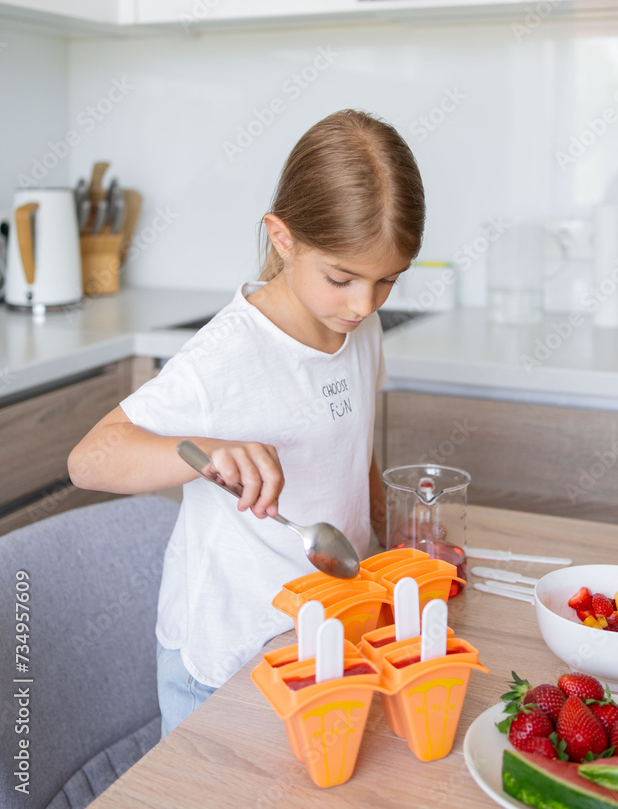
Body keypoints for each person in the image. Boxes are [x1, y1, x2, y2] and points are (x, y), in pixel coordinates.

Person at [68, 109, 425, 738]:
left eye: (386, 281)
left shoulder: (359, 328)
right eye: (341, 278)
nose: (365, 304)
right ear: (282, 239)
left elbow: (353, 445)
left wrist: (387, 543)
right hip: (228, 655)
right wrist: (206, 451)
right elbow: (90, 460)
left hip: (328, 631)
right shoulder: (226, 357)